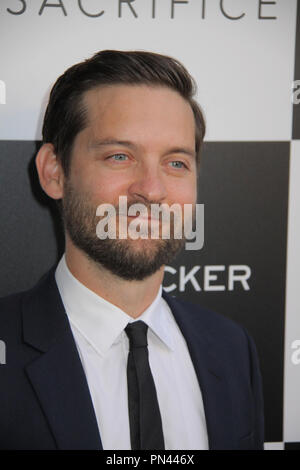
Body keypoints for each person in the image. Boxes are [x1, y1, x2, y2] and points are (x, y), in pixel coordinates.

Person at [0, 50, 264, 450]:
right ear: (54, 171)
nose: (152, 190)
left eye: (176, 163)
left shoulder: (232, 349)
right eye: (119, 156)